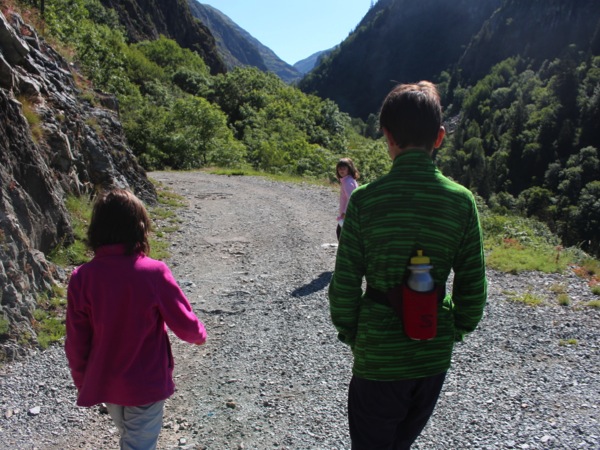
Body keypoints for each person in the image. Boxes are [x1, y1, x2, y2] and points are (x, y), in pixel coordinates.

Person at [328, 81, 487, 449]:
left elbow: (345, 285)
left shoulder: (365, 202)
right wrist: (452, 330)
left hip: (378, 355)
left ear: (387, 136)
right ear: (440, 137)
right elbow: (473, 288)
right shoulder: (462, 202)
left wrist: (354, 335)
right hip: (433, 354)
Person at [65, 188, 207, 450]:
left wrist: (82, 379)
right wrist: (199, 336)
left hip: (106, 382)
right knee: (138, 444)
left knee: (129, 438)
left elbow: (76, 340)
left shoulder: (82, 277)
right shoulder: (153, 272)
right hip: (146, 383)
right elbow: (185, 323)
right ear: (139, 226)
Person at [336, 157, 360, 241]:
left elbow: (351, 198)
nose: (341, 170)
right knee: (342, 233)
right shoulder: (346, 180)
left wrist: (345, 212)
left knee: (341, 234)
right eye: (339, 168)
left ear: (349, 169)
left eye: (344, 168)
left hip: (348, 214)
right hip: (348, 214)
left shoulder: (348, 182)